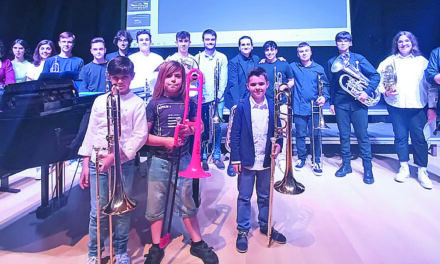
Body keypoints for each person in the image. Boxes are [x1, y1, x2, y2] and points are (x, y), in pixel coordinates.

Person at [143, 61, 218, 264]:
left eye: (178, 76)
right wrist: (165, 141)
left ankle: (197, 243)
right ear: (162, 79)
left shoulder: (189, 103)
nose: (174, 80)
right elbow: (144, 137)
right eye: (169, 76)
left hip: (184, 159)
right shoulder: (154, 104)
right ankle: (156, 246)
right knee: (155, 203)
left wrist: (191, 130)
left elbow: (200, 127)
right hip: (159, 160)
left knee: (187, 202)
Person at [78, 56, 148, 264]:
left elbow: (139, 136)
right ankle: (94, 252)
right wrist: (84, 163)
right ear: (109, 78)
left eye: (124, 77)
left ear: (132, 77)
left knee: (122, 210)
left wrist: (114, 158)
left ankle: (121, 250)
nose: (119, 81)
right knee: (97, 211)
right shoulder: (101, 101)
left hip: (122, 164)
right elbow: (91, 132)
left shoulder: (137, 103)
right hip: (97, 162)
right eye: (115, 77)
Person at [230, 66, 286, 253]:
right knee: (244, 197)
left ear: (267, 84)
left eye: (261, 84)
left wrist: (279, 144)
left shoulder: (273, 105)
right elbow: (234, 135)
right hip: (246, 160)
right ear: (247, 86)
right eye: (253, 84)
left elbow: (279, 131)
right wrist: (235, 159)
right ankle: (243, 230)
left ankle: (265, 225)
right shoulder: (241, 107)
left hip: (266, 160)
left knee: (265, 196)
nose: (257, 88)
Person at [377, 31, 438, 189]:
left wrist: (432, 107)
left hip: (418, 106)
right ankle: (403, 167)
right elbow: (377, 80)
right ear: (396, 44)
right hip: (396, 106)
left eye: (407, 41)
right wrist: (385, 91)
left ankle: (422, 171)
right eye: (400, 42)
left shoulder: (422, 62)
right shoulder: (389, 61)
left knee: (420, 139)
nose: (403, 44)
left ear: (412, 43)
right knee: (400, 138)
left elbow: (431, 87)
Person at [326, 31, 380, 184]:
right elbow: (333, 84)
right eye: (340, 41)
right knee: (344, 135)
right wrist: (331, 103)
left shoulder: (359, 59)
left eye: (345, 41)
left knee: (362, 136)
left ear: (350, 43)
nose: (342, 43)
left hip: (359, 103)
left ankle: (367, 169)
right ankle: (346, 165)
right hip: (341, 103)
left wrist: (367, 91)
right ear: (336, 43)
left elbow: (375, 75)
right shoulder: (332, 61)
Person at [290, 42, 329, 175]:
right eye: (301, 51)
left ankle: (316, 160)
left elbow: (326, 86)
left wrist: (324, 97)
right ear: (297, 54)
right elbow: (283, 69)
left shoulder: (319, 68)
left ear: (311, 52)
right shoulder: (293, 67)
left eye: (306, 51)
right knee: (300, 135)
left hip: (315, 107)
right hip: (299, 108)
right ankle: (301, 159)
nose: (304, 53)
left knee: (316, 135)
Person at [224, 36, 259, 176]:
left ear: (252, 46)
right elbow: (233, 84)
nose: (245, 46)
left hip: (253, 100)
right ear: (239, 47)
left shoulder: (256, 59)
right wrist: (238, 104)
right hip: (239, 101)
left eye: (248, 44)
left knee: (251, 131)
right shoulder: (233, 62)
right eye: (243, 44)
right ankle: (233, 161)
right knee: (235, 133)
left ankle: (248, 159)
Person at [195, 29, 228, 170]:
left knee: (217, 126)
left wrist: (219, 95)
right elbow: (195, 78)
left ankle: (216, 155)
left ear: (215, 40)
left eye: (212, 39)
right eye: (207, 39)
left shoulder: (222, 57)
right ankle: (203, 156)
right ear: (203, 41)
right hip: (202, 98)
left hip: (217, 99)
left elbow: (224, 78)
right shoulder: (198, 58)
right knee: (203, 127)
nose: (210, 42)